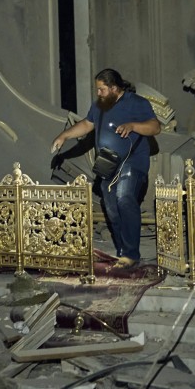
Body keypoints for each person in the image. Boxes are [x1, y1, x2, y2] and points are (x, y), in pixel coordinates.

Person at [51, 69, 161, 269]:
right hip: (107, 164)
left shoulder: (137, 103)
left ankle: (131, 254)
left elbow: (155, 127)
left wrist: (133, 126)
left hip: (132, 162)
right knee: (111, 207)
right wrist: (64, 136)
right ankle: (122, 250)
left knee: (124, 196)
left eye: (102, 89)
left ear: (114, 88)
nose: (99, 93)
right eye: (97, 90)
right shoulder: (99, 106)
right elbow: (86, 124)